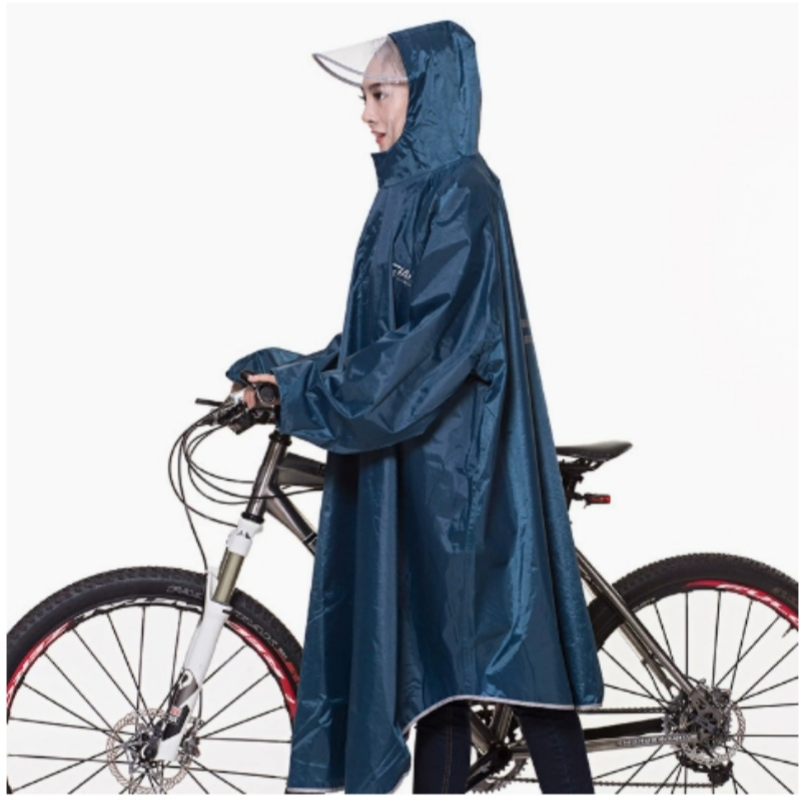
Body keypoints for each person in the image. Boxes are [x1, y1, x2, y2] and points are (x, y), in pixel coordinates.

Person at [226, 21, 603, 794]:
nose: (365, 114)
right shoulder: (402, 195)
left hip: (465, 473)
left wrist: (306, 394)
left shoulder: (463, 193)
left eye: (380, 94)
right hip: (423, 468)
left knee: (507, 660)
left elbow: (427, 352)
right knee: (442, 671)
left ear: (430, 94)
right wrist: (288, 375)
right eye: (364, 96)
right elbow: (373, 338)